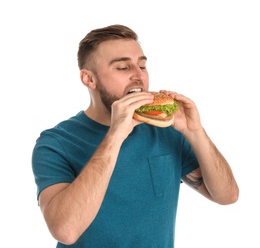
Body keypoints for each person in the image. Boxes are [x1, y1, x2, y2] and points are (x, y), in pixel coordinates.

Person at [32, 24, 239, 248]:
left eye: (142, 65)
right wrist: (115, 136)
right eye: (123, 67)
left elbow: (227, 196)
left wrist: (195, 131)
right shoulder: (55, 143)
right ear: (89, 79)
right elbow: (66, 230)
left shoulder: (166, 131)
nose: (138, 76)